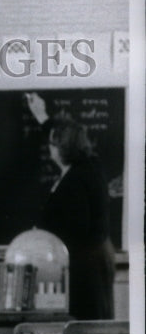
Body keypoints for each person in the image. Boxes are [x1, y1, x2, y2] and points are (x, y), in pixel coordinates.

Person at [25, 92, 116, 319]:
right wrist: (43, 118)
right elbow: (66, 135)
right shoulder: (90, 166)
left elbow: (75, 228)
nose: (49, 147)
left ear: (59, 149)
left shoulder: (73, 182)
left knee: (85, 324)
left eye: (52, 143)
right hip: (93, 262)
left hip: (83, 268)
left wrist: (43, 232)